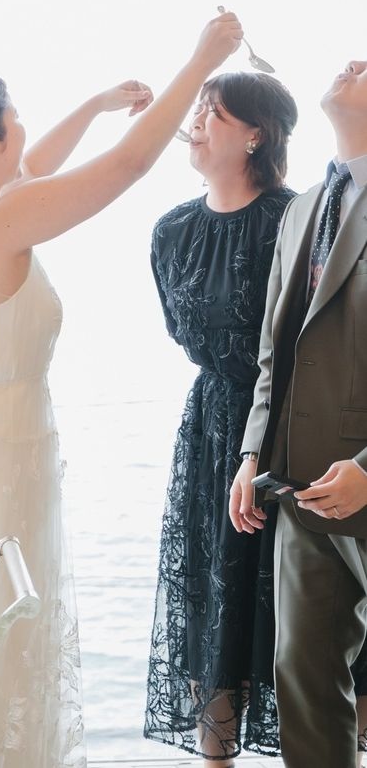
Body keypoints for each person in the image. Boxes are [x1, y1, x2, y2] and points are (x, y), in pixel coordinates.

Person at [0, 11, 243, 768]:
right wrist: (201, 58)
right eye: (14, 118)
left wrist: (97, 103)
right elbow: (128, 166)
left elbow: (35, 169)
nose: (23, 129)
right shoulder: (4, 219)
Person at [142, 71, 318, 764]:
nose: (195, 122)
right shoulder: (172, 231)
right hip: (210, 429)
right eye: (196, 109)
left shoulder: (298, 220)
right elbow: (180, 331)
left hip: (292, 429)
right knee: (208, 612)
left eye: (212, 112)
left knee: (298, 614)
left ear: (255, 135)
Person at [231, 59, 367, 768]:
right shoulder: (303, 207)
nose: (353, 62)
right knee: (304, 679)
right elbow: (273, 352)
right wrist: (252, 455)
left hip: (361, 478)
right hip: (302, 489)